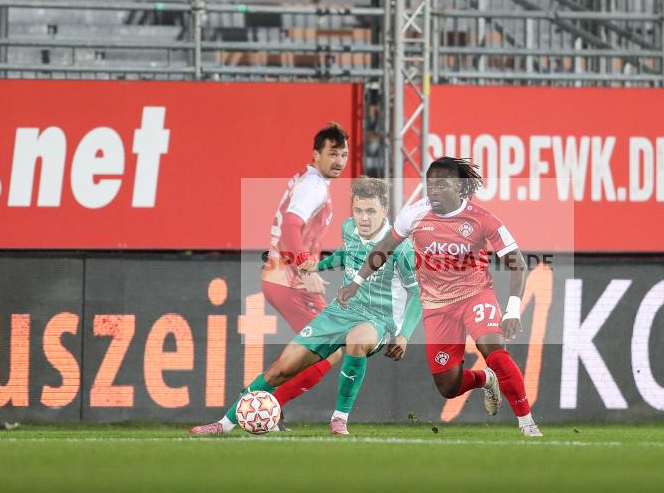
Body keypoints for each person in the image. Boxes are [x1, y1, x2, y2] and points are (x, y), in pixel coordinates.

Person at [190, 177, 422, 435]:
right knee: (281, 369)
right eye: (358, 210)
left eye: (371, 211)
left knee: (356, 340)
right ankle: (223, 425)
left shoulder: (401, 248)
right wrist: (318, 265)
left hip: (379, 319)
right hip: (340, 311)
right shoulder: (349, 229)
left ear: (384, 211)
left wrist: (404, 335)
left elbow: (418, 293)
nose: (364, 218)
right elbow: (347, 256)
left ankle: (339, 419)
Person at [337, 157, 543, 437]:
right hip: (436, 307)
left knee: (494, 351)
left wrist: (513, 309)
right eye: (430, 185)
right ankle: (486, 380)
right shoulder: (414, 215)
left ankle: (527, 423)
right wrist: (357, 282)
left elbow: (517, 262)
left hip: (475, 296)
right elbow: (384, 247)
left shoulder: (483, 219)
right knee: (449, 386)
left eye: (441, 185)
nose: (433, 191)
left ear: (459, 187)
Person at [256, 123, 349, 417]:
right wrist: (304, 269)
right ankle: (264, 405)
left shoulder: (308, 181)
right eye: (332, 153)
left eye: (343, 154)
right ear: (316, 154)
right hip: (290, 281)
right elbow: (292, 224)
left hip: (279, 276)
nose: (339, 161)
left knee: (310, 350)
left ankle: (264, 404)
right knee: (330, 350)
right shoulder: (314, 186)